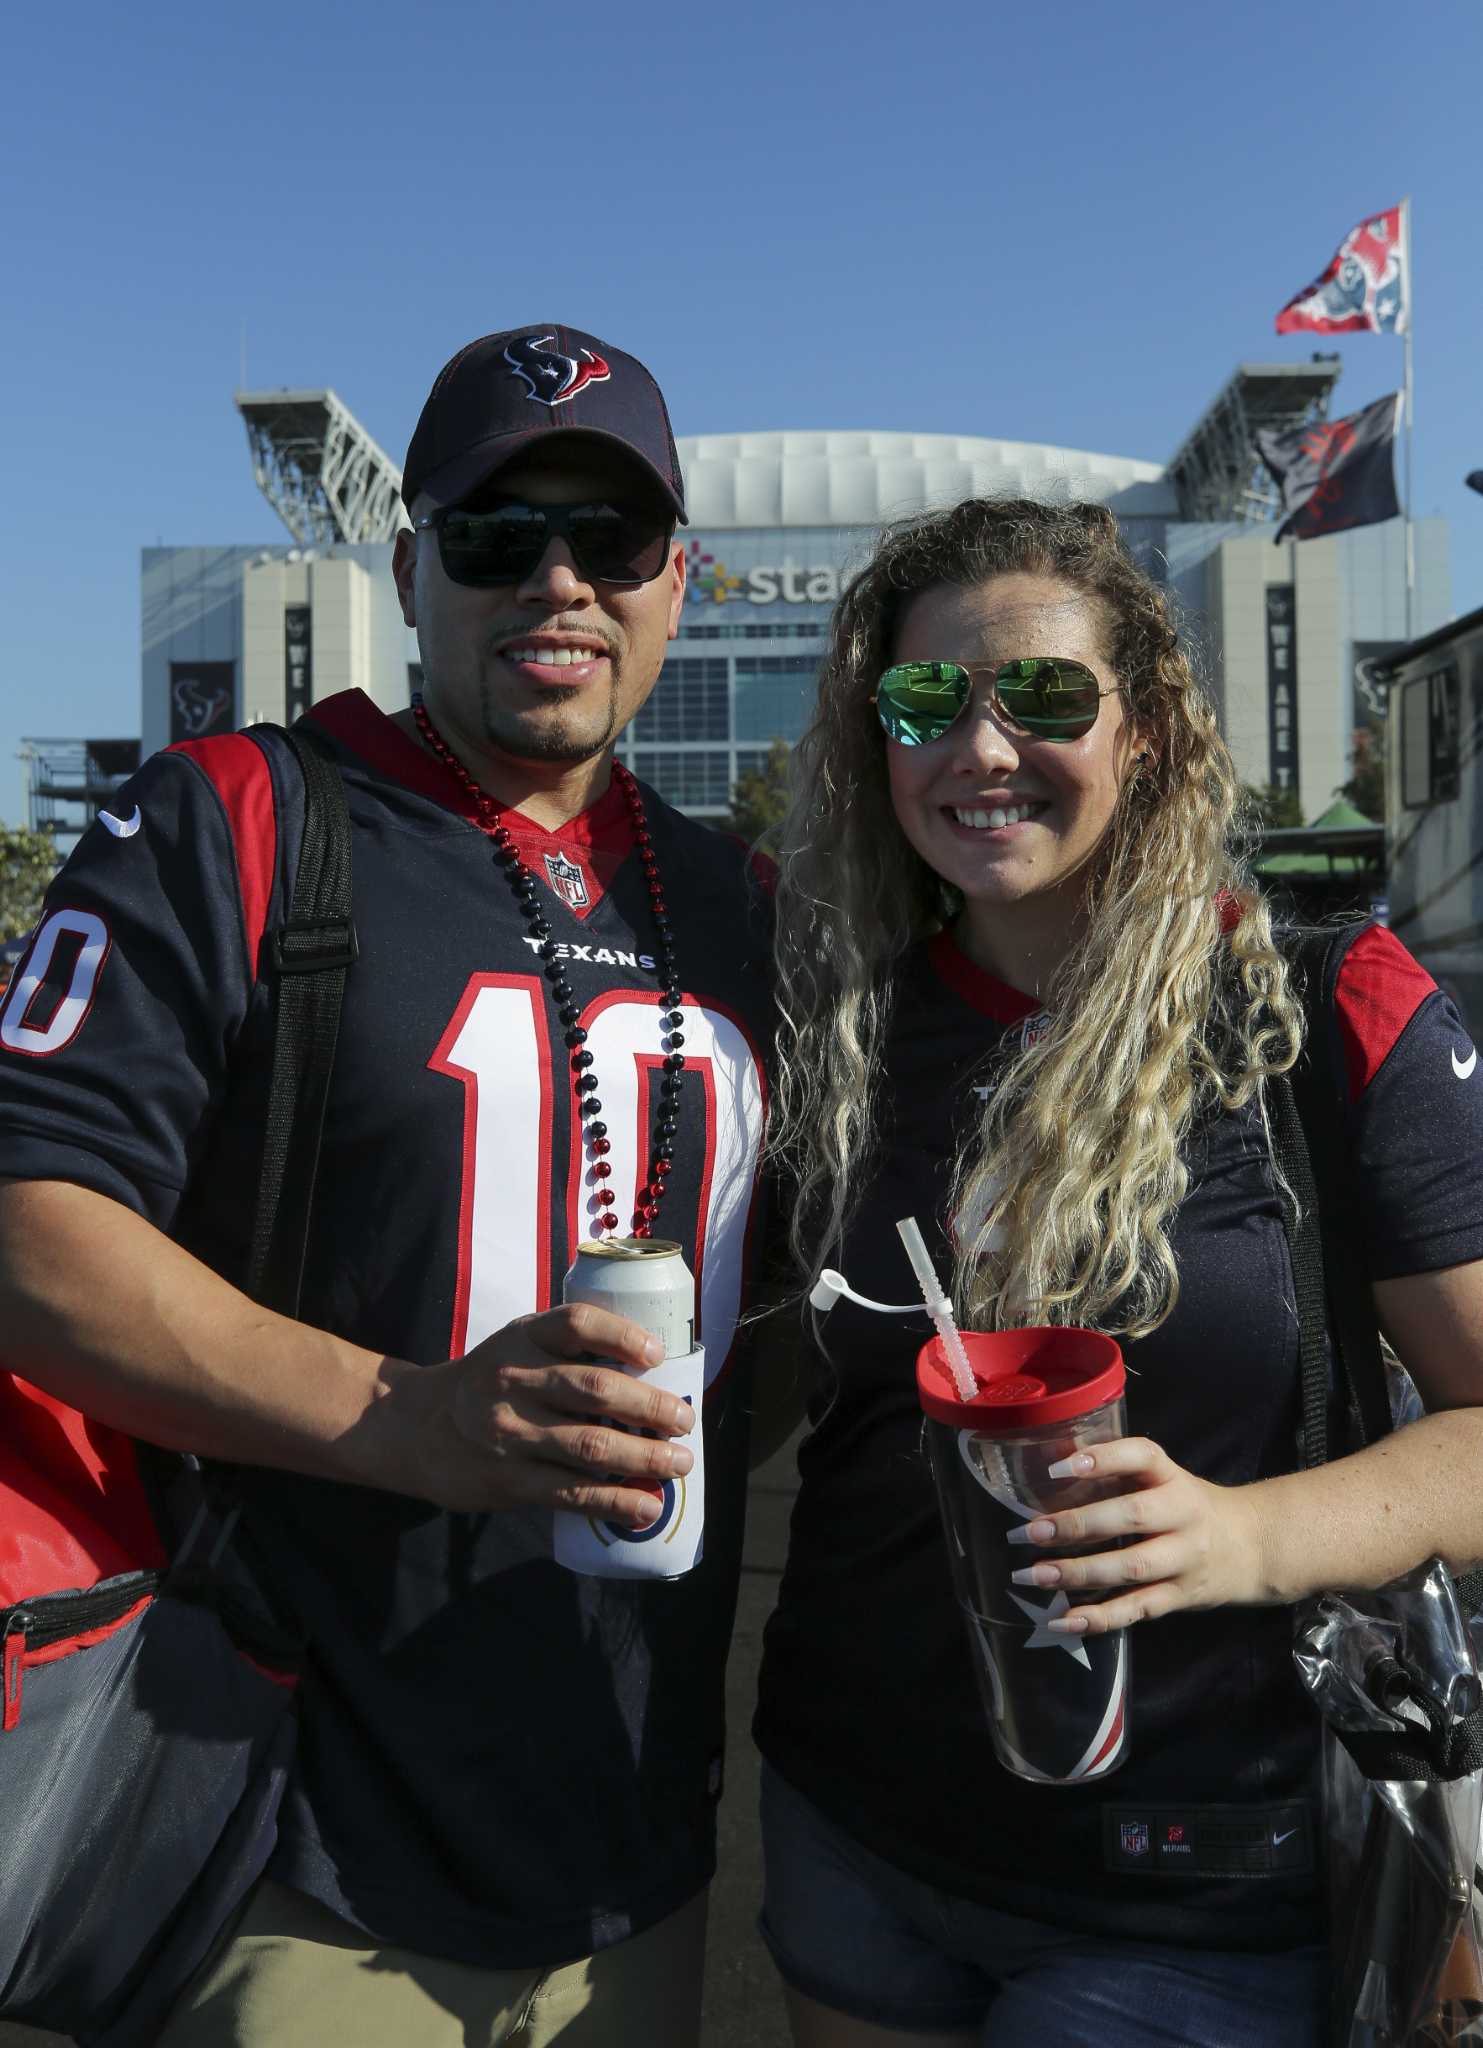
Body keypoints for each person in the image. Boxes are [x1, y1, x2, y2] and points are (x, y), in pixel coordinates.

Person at [0, 325, 773, 2046]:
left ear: (678, 582)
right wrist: (402, 1416)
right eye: (498, 534)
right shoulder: (239, 817)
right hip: (288, 1836)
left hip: (631, 1848)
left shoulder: (742, 902)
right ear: (411, 563)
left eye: (612, 538)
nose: (556, 581)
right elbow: (27, 1222)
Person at [752, 496, 1483, 2047]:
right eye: (928, 702)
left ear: (1145, 728)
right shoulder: (841, 1036)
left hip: (1198, 1888)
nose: (985, 746)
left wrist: (1246, 1536)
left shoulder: (1320, 1001)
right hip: (859, 1837)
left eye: (1047, 696)